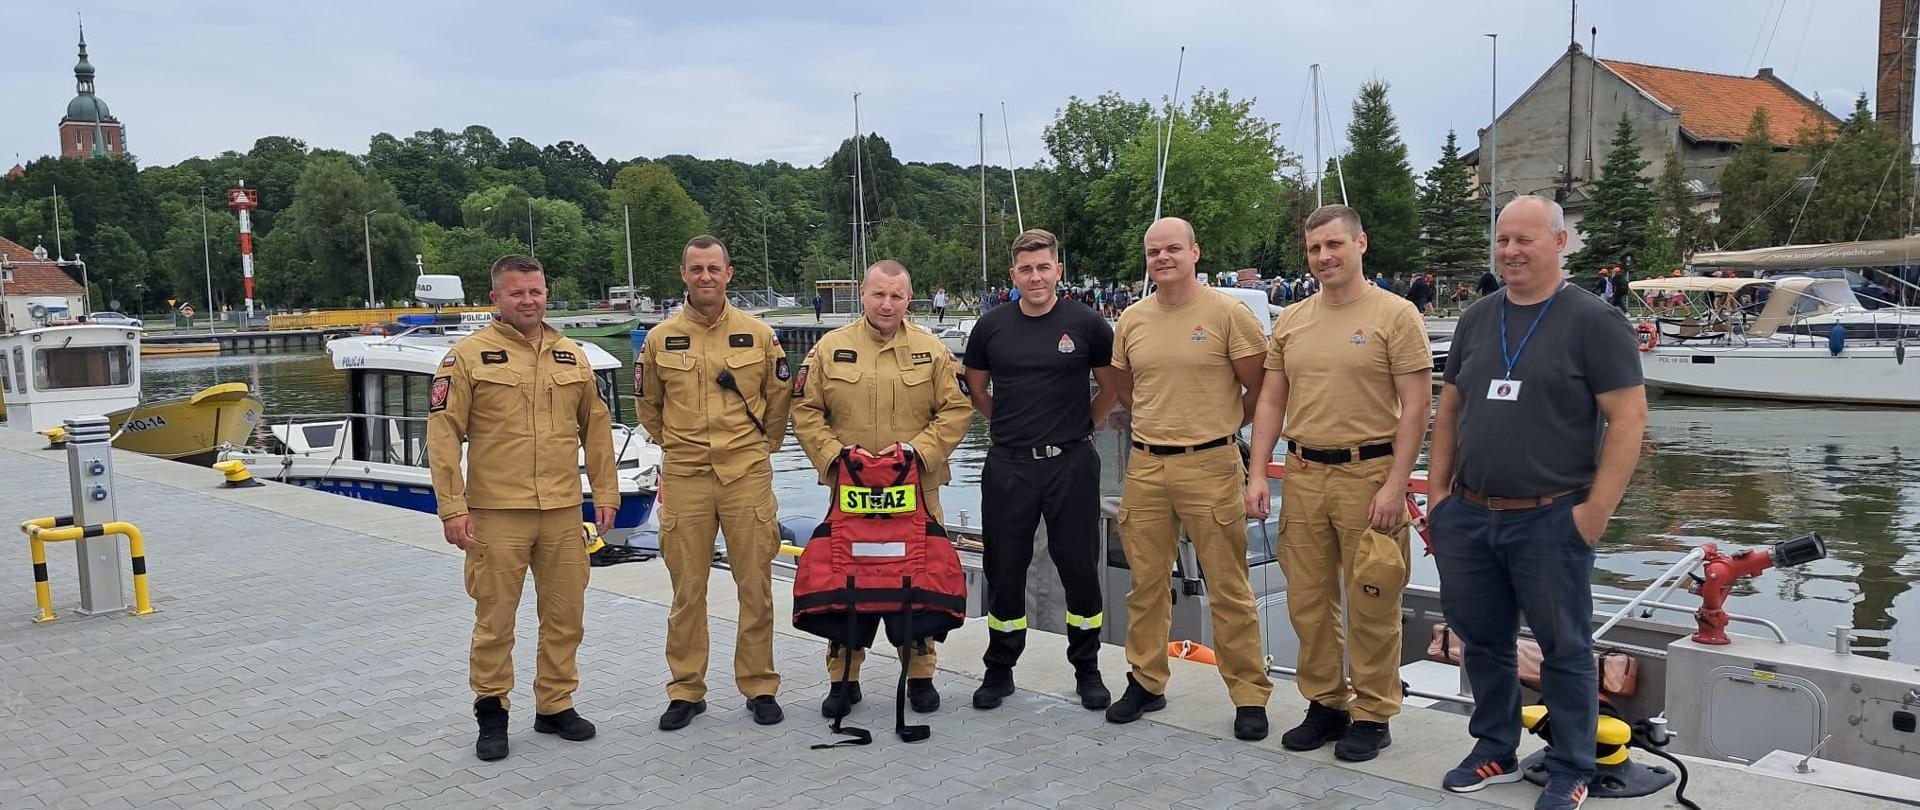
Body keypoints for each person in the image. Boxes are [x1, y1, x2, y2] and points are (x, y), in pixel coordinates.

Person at [1426, 196, 1648, 810]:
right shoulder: (1477, 318)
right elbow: (1450, 409)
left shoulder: (1594, 322)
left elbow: (1628, 420)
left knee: (1565, 648)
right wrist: (1438, 494)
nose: (1511, 252)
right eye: (1502, 241)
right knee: (1483, 639)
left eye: (1525, 240)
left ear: (1559, 243)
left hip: (1552, 516)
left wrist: (1593, 514)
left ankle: (1571, 765)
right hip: (1469, 514)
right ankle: (1494, 745)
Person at [1244, 205, 1431, 762]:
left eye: (1334, 245)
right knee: (1307, 598)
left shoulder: (1396, 316)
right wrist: (1257, 471)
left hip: (1369, 474)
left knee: (1372, 596)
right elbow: (1271, 399)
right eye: (1314, 249)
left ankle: (1374, 712)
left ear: (1360, 244)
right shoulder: (1294, 320)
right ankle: (1327, 703)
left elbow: (1418, 406)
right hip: (1303, 475)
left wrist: (1397, 484)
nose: (1324, 257)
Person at [426, 254, 619, 762]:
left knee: (565, 615)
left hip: (560, 509)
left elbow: (596, 431)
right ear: (495, 298)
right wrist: (452, 507)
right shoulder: (467, 357)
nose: (528, 301)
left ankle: (555, 704)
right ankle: (492, 712)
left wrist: (606, 493)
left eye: (535, 292)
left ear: (545, 294)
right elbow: (443, 435)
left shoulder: (570, 356)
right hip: (496, 512)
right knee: (495, 620)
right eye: (517, 293)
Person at [1104, 217, 1275, 741]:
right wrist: (1160, 425)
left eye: (1173, 249)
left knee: (1229, 585)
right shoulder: (1132, 319)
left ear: (1195, 252)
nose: (1163, 258)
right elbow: (1125, 388)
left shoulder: (1228, 313)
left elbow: (1260, 389)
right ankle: (1147, 680)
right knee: (1146, 583)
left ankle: (1248, 693)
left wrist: (1215, 427)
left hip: (1211, 463)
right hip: (1148, 464)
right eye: (1154, 251)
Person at [792, 260, 973, 719]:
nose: (887, 304)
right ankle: (844, 677)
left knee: (915, 579)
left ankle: (920, 673)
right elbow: (806, 411)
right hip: (850, 490)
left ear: (908, 299)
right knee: (847, 577)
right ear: (863, 295)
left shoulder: (932, 352)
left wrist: (918, 454)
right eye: (878, 295)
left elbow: (955, 411)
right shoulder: (831, 349)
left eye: (896, 296)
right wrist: (835, 457)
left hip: (915, 488)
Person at [635, 235, 794, 732]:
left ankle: (759, 684)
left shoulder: (759, 335)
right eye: (696, 269)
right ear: (684, 275)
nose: (705, 276)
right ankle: (686, 689)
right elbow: (648, 407)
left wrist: (757, 449)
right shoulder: (660, 339)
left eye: (714, 268)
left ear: (729, 274)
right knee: (687, 590)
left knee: (756, 585)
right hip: (686, 475)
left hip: (746, 473)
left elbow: (779, 398)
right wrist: (682, 447)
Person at [962, 229, 1120, 713]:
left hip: (1071, 464)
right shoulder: (991, 328)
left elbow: (1110, 390)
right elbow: (978, 391)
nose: (1035, 276)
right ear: (1013, 275)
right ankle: (999, 669)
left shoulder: (1088, 324)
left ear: (1058, 271)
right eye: (1026, 269)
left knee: (1078, 568)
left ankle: (1087, 669)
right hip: (1009, 466)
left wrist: (1079, 429)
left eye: (1043, 267)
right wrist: (1010, 430)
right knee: (1004, 569)